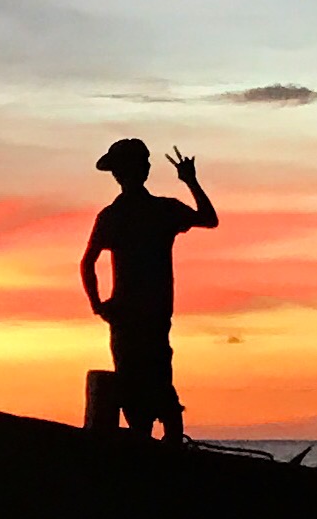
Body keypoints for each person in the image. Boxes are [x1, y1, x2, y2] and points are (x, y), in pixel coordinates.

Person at [81, 138, 216, 439]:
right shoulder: (157, 210)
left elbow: (88, 263)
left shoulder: (119, 215)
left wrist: (99, 305)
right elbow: (208, 218)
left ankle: (156, 444)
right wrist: (191, 181)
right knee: (153, 378)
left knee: (140, 381)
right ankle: (163, 443)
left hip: (133, 314)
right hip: (146, 313)